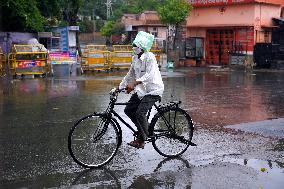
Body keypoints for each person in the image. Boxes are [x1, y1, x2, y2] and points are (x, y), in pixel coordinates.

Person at [118, 31, 164, 149]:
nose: (134, 47)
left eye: (136, 46)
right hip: (142, 91)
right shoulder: (135, 58)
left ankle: (143, 138)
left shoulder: (150, 57)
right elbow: (130, 74)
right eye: (133, 45)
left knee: (140, 113)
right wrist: (119, 87)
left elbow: (149, 75)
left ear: (142, 47)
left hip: (153, 90)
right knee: (129, 110)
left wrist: (134, 83)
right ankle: (145, 129)